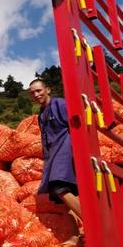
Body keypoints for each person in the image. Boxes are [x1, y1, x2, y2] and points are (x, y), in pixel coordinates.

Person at [28, 78, 82, 219]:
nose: (36, 95)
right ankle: (75, 235)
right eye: (32, 93)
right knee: (59, 197)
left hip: (65, 153)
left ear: (48, 90)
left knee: (59, 188)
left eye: (38, 90)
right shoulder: (41, 114)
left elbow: (77, 126)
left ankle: (92, 222)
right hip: (53, 156)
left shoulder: (60, 104)